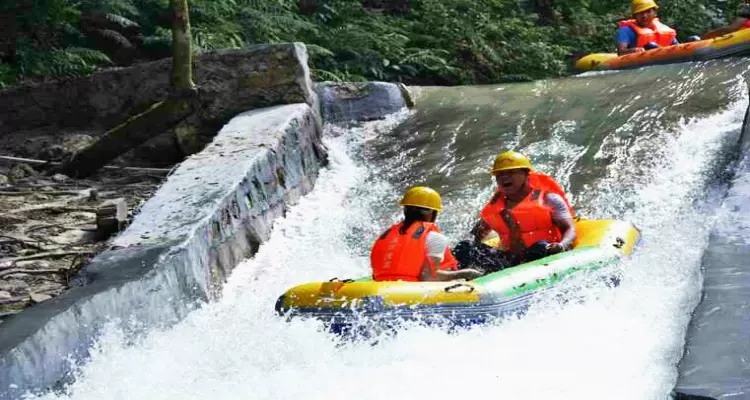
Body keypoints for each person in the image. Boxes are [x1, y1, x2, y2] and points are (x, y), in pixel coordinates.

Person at [454, 151, 577, 273]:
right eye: (499, 174)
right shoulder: (495, 208)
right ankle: (463, 280)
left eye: (511, 172)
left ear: (526, 174)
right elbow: (475, 236)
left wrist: (561, 245)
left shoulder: (549, 199)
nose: (504, 177)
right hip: (508, 261)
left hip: (544, 254)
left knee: (540, 247)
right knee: (464, 247)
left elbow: (569, 229)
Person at [371, 186, 483, 282]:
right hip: (411, 292)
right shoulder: (436, 238)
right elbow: (428, 277)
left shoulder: (385, 235)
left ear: (405, 210)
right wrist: (465, 273)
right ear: (432, 213)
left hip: (381, 286)